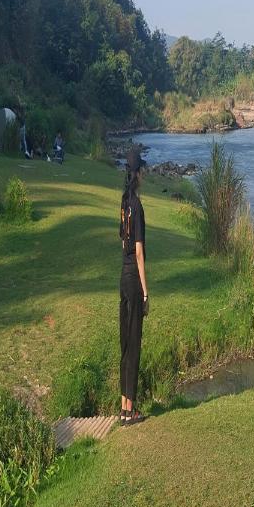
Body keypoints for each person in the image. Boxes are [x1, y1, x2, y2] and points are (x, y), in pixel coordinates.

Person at [119, 148, 149, 425]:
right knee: (134, 343)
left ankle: (123, 406)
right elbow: (139, 252)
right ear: (137, 173)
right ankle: (130, 412)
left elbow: (122, 243)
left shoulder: (123, 202)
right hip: (133, 281)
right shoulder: (137, 206)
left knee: (124, 344)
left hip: (121, 277)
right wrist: (146, 292)